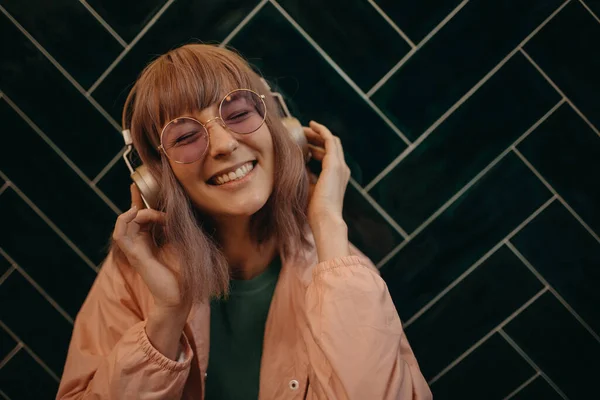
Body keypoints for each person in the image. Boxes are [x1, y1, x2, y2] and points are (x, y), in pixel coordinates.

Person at [56, 43, 431, 400]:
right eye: (186, 136)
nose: (223, 145)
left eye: (237, 114)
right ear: (157, 175)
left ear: (280, 129)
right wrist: (165, 317)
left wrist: (329, 225)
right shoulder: (134, 273)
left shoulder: (343, 271)